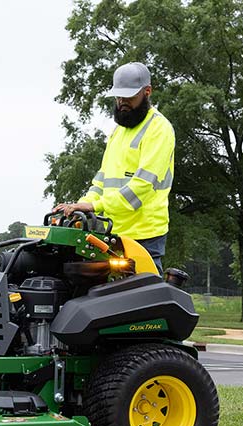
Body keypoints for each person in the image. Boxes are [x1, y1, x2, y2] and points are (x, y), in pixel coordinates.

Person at [54, 62, 175, 273]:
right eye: (118, 97)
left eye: (129, 97)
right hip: (113, 233)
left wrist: (94, 207)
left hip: (144, 235)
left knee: (144, 299)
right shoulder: (118, 132)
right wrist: (77, 208)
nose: (122, 103)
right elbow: (101, 181)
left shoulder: (159, 129)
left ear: (147, 92)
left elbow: (142, 187)